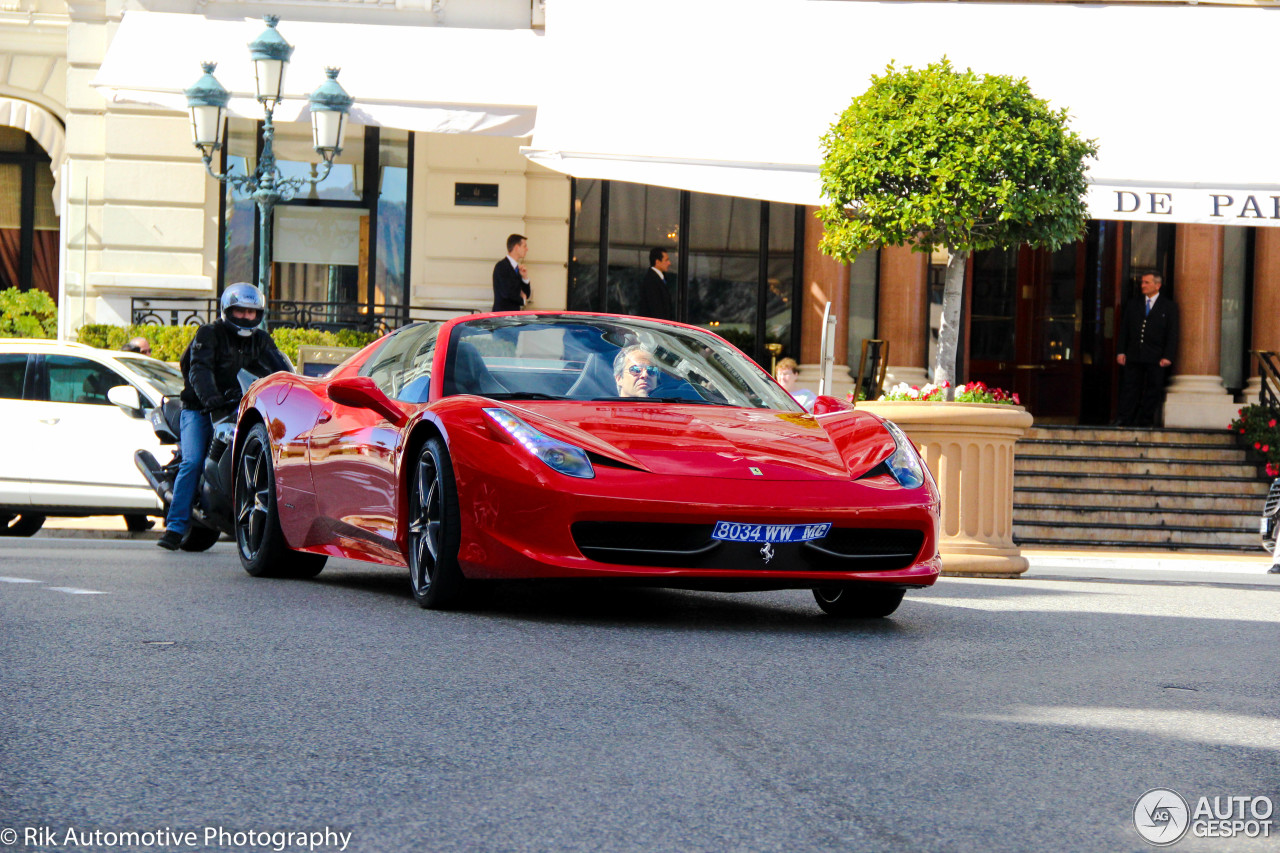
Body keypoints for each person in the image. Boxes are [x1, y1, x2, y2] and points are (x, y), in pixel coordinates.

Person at [157, 283, 290, 551]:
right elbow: (199, 369)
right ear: (227, 310)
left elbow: (280, 370)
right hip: (199, 408)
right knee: (193, 461)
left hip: (236, 407)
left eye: (252, 312)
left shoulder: (261, 340)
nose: (245, 317)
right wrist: (210, 399)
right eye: (239, 311)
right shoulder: (209, 333)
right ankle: (175, 527)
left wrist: (292, 393)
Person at [1116, 272, 1178, 427]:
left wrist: (1168, 355)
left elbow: (1172, 333)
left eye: (1146, 282)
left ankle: (1145, 419)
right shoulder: (1133, 304)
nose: (1142, 285)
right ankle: (1125, 418)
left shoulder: (1168, 306)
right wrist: (1121, 351)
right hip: (1134, 354)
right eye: (1142, 282)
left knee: (1153, 389)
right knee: (1130, 387)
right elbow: (1124, 330)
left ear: (1157, 285)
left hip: (1156, 356)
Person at [492, 234, 531, 311]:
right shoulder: (502, 266)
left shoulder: (517, 269)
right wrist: (522, 301)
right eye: (524, 246)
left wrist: (524, 278)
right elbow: (507, 293)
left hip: (513, 316)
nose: (527, 249)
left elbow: (527, 294)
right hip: (502, 316)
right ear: (516, 247)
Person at [637, 248, 674, 320]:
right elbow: (656, 308)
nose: (669, 263)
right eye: (666, 260)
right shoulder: (651, 280)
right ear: (657, 262)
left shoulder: (659, 278)